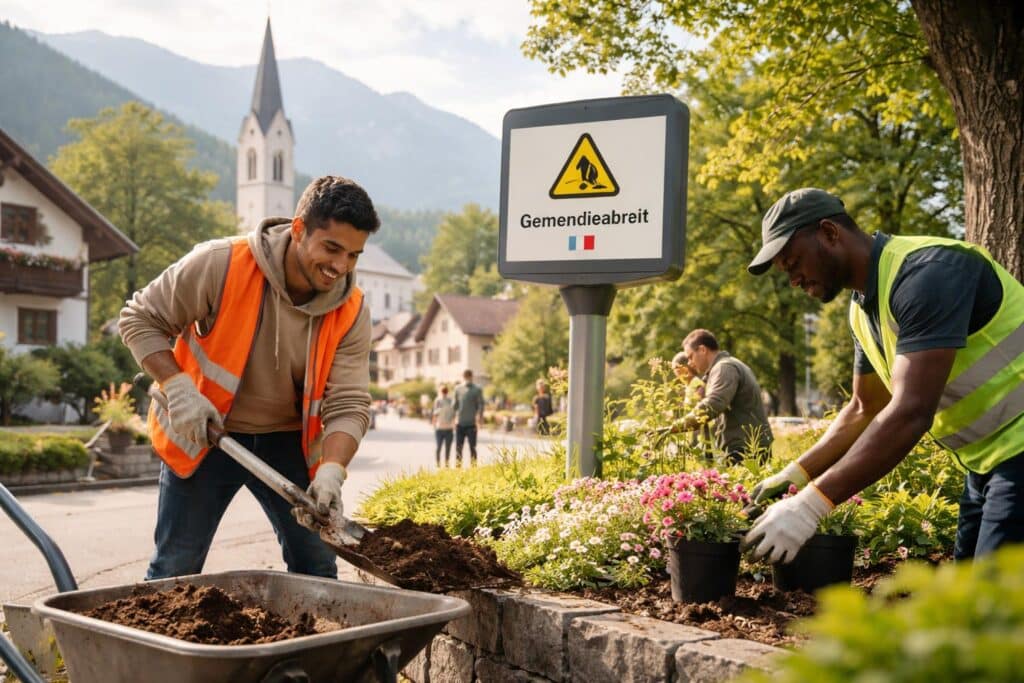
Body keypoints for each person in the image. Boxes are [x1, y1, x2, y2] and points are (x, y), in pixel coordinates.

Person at [742, 187, 1024, 565]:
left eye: (794, 263)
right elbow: (864, 407)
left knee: (994, 607)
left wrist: (810, 506)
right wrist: (795, 474)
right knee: (970, 604)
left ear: (829, 233)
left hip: (1018, 449)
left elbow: (910, 412)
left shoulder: (928, 274)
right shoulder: (863, 311)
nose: (794, 280)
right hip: (988, 461)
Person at [118, 175, 379, 580]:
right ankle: (156, 644)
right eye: (331, 248)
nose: (340, 267)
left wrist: (332, 470)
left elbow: (348, 403)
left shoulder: (351, 310)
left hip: (287, 443)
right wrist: (179, 387)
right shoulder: (221, 264)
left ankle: (315, 646)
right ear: (298, 229)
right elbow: (140, 318)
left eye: (353, 255)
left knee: (317, 570)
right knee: (175, 568)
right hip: (205, 434)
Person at [671, 329, 773, 463]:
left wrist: (679, 425)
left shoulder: (724, 368)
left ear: (702, 349)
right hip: (745, 446)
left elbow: (714, 403)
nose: (689, 363)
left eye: (690, 357)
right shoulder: (724, 367)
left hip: (746, 450)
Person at [453, 369, 485, 466]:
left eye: (468, 377)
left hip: (472, 424)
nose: (467, 378)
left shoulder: (477, 389)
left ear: (471, 377)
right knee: (459, 448)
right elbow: (454, 405)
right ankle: (458, 468)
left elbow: (481, 405)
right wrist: (454, 418)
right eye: (466, 377)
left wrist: (479, 418)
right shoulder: (457, 389)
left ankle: (473, 467)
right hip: (460, 423)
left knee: (472, 447)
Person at [432, 385, 456, 466]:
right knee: (447, 448)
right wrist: (454, 426)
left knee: (439, 447)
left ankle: (438, 464)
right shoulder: (451, 401)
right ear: (447, 392)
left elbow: (435, 414)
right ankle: (446, 464)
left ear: (440, 392)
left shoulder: (438, 400)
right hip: (449, 428)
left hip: (440, 428)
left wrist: (434, 425)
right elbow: (454, 415)